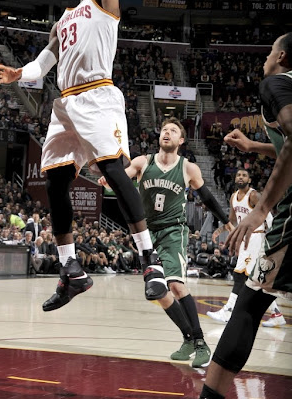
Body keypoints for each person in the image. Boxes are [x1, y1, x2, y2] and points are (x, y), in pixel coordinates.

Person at [0, 0, 160, 312]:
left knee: (110, 167)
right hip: (64, 103)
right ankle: (71, 270)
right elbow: (44, 65)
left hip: (99, 95)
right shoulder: (62, 20)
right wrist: (16, 74)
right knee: (57, 181)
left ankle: (150, 259)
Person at [198, 32, 292, 399]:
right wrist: (254, 146)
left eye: (269, 52)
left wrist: (261, 209)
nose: (265, 58)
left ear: (282, 56)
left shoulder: (276, 82)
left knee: (249, 305)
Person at [98, 117, 233, 367]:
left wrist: (225, 221)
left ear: (181, 140)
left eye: (172, 130)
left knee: (176, 285)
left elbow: (207, 197)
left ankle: (201, 343)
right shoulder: (142, 162)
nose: (166, 133)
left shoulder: (188, 168)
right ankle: (188, 339)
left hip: (173, 231)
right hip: (147, 235)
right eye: (163, 130)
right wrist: (108, 181)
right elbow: (119, 185)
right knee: (159, 292)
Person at [207, 169, 285, 325]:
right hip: (245, 239)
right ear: (235, 179)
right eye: (238, 175)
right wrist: (221, 230)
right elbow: (232, 221)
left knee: (240, 275)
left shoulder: (254, 195)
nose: (240, 177)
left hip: (256, 236)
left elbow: (268, 217)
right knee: (256, 279)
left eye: (244, 175)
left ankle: (229, 310)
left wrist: (272, 240)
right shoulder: (233, 197)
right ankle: (276, 314)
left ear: (249, 180)